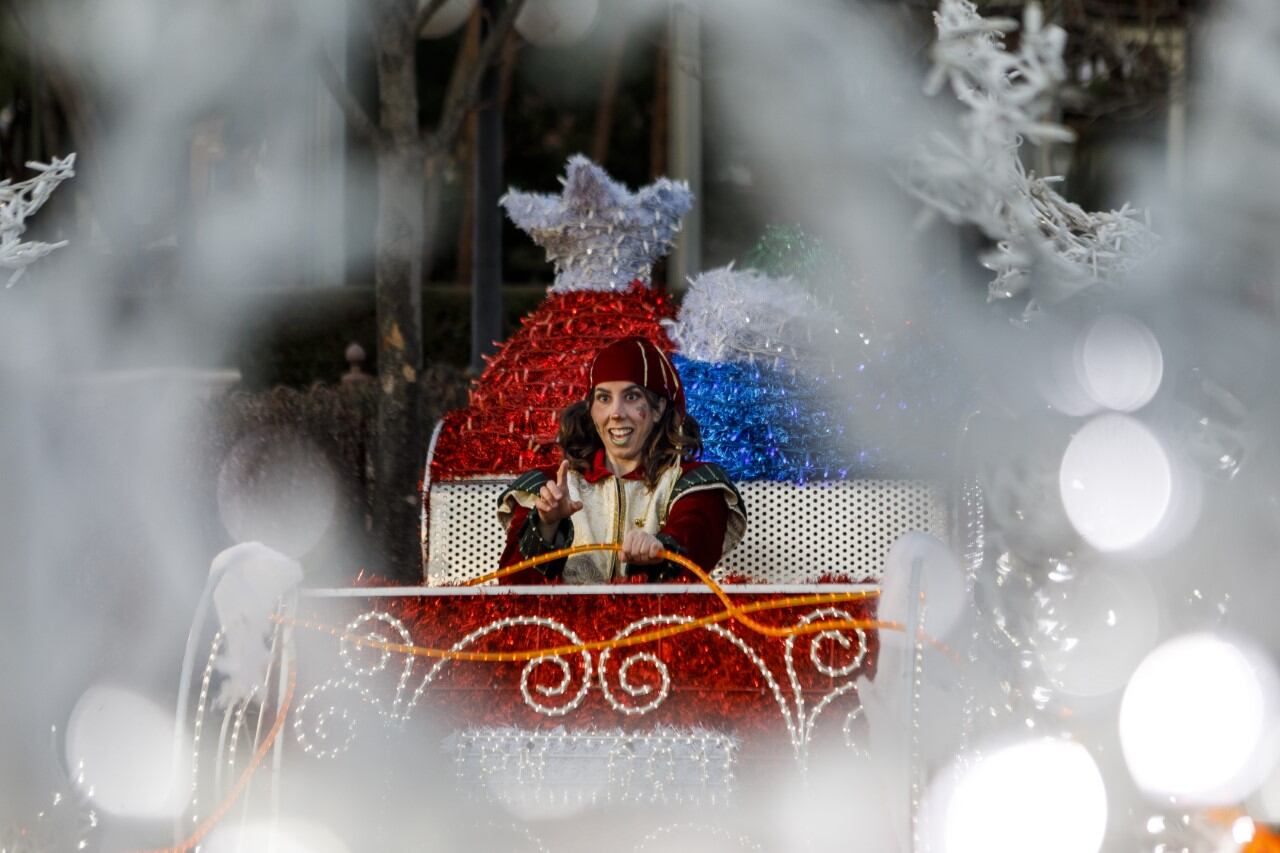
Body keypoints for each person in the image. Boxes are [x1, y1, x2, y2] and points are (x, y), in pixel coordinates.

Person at [497, 337, 746, 584]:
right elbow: (512, 590)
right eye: (604, 398)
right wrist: (546, 525)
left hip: (661, 624)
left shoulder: (694, 483)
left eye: (631, 397)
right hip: (560, 624)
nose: (616, 413)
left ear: (659, 408)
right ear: (591, 409)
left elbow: (695, 537)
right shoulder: (550, 485)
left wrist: (661, 548)